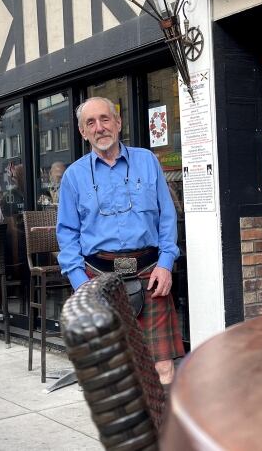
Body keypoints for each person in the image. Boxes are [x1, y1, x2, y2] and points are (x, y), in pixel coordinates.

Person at [57, 96, 183, 387]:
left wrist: (166, 263)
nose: (99, 127)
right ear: (82, 132)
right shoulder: (73, 176)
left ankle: (162, 430)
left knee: (163, 366)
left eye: (105, 119)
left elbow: (166, 218)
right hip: (98, 278)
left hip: (151, 273)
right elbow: (66, 234)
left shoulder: (147, 161)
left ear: (118, 122)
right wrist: (81, 284)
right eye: (91, 122)